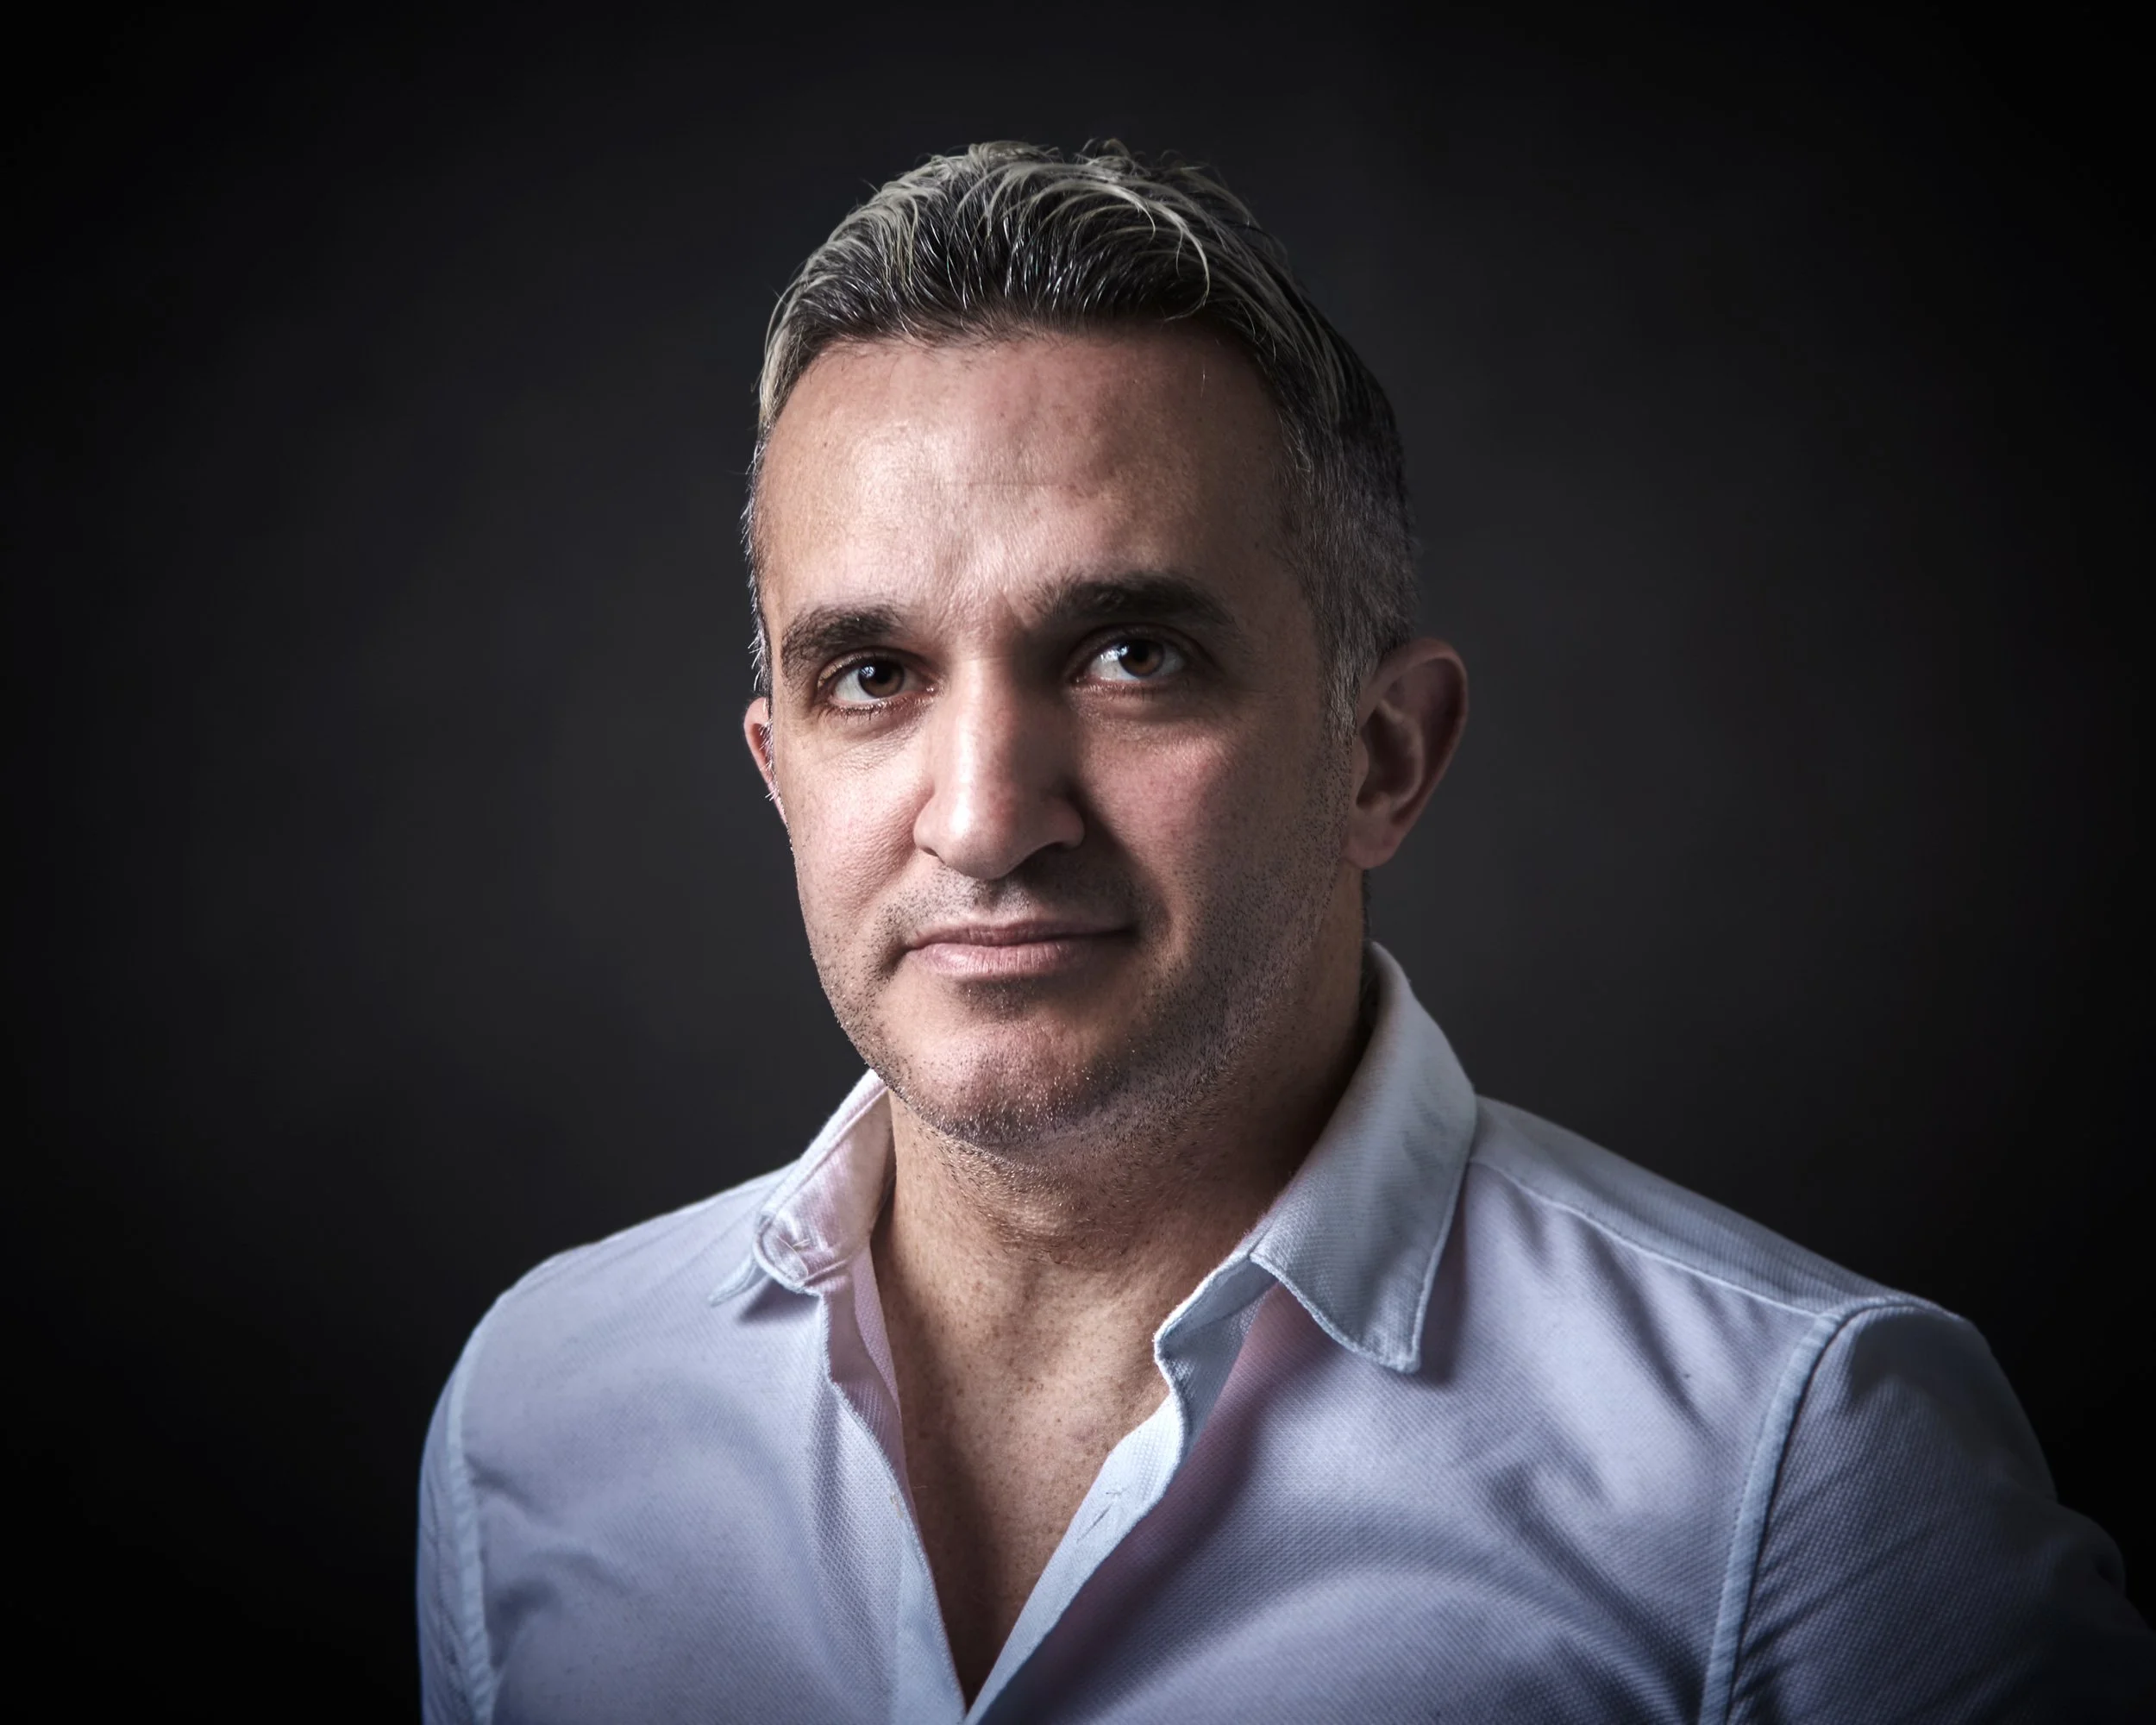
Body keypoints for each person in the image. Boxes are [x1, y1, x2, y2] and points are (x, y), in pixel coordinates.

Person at [417, 142, 2152, 1723]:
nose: (983, 815)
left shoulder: (1801, 1477)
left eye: (1129, 655)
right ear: (778, 767)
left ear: (1379, 755)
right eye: (871, 675)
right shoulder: (544, 1414)